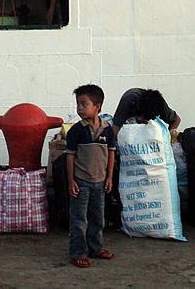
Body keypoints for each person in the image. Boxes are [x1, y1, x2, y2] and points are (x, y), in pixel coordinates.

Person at [65, 84, 116, 269]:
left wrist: (109, 177)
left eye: (84, 104)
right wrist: (71, 180)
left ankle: (95, 248)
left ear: (98, 106)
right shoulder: (76, 131)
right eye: (78, 104)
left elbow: (111, 154)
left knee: (97, 218)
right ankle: (78, 252)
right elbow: (70, 156)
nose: (79, 108)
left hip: (100, 183)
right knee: (79, 220)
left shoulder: (107, 130)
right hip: (81, 183)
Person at [110, 88, 181, 133]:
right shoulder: (129, 100)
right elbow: (116, 128)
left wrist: (168, 139)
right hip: (129, 132)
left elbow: (176, 120)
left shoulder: (161, 106)